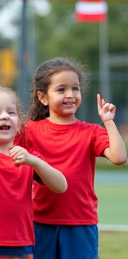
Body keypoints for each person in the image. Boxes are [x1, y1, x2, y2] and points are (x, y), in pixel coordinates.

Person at [19, 57, 127, 259]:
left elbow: (120, 157)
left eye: (75, 88)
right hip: (39, 221)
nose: (70, 95)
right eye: (61, 90)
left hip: (80, 222)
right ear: (43, 98)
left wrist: (109, 122)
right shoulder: (29, 130)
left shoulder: (92, 132)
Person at [0, 85, 67, 259]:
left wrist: (34, 161)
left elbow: (61, 186)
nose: (4, 116)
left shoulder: (27, 158)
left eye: (11, 112)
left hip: (22, 245)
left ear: (18, 123)